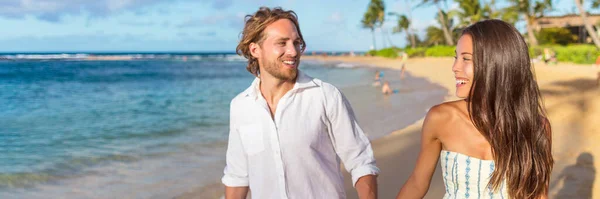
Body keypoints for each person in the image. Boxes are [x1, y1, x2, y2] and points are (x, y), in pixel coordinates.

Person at [222, 7, 379, 199]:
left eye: (297, 43)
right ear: (255, 50)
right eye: (282, 43)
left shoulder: (325, 96)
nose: (293, 51)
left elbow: (361, 162)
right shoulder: (241, 106)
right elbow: (237, 177)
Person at [396, 19, 553, 199]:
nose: (455, 67)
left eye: (466, 59)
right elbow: (417, 183)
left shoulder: (537, 128)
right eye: (456, 57)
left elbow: (539, 195)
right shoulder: (442, 118)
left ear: (497, 64)